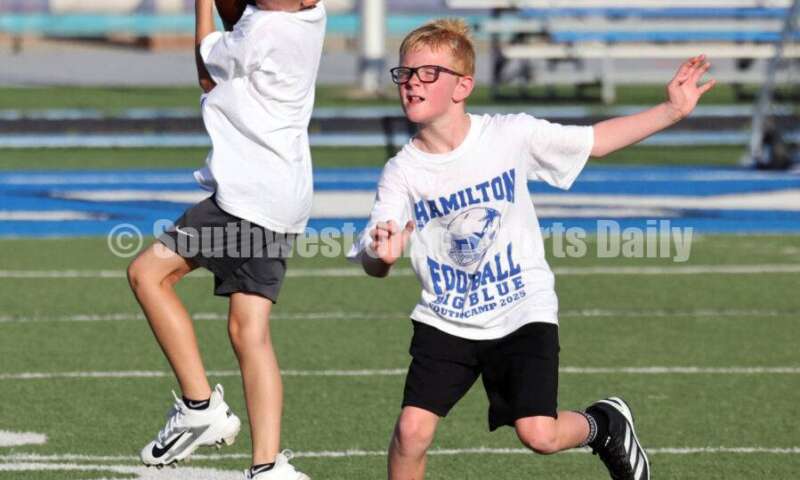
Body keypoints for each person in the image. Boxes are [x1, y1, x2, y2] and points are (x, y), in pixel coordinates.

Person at [348, 18, 715, 480]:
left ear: (463, 86)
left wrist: (671, 111)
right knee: (410, 432)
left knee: (538, 434)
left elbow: (595, 142)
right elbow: (375, 255)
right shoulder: (402, 171)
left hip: (521, 307)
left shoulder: (509, 134)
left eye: (427, 73)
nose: (411, 83)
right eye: (404, 73)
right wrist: (379, 255)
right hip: (446, 317)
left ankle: (604, 425)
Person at [126, 1, 325, 479]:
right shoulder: (308, 18)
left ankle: (199, 407)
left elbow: (207, 69)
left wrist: (202, 8)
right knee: (248, 331)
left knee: (148, 274)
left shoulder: (265, 29)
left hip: (247, 197)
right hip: (282, 196)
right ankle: (267, 466)